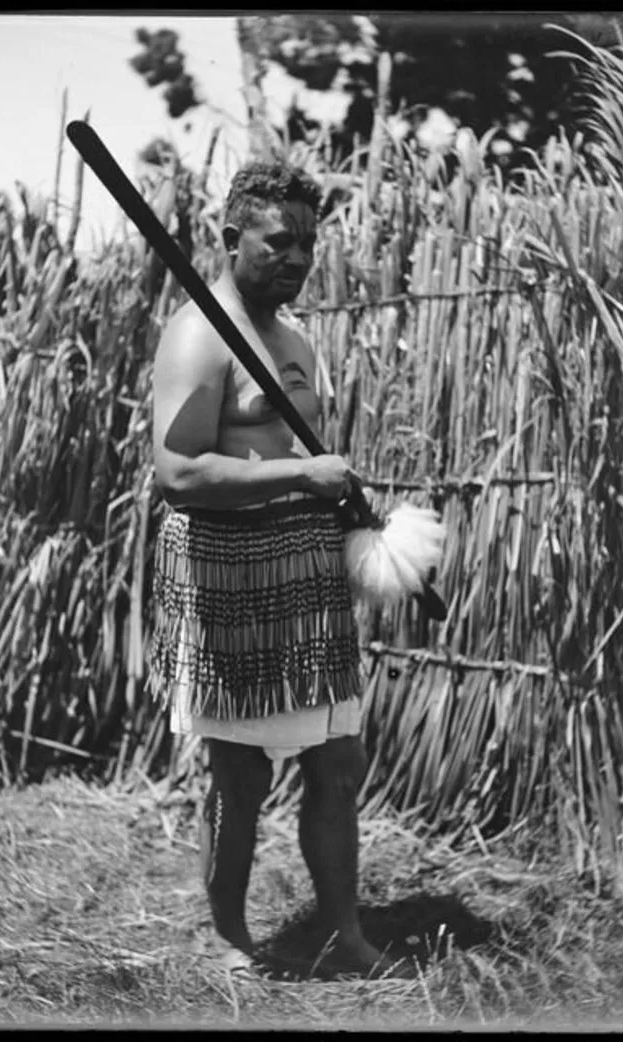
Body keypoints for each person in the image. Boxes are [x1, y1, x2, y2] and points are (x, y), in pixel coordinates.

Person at [148, 161, 388, 977]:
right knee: (240, 774)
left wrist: (338, 499)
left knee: (337, 761)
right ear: (230, 238)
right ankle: (228, 940)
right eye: (278, 241)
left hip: (308, 578)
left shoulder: (297, 340)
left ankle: (346, 935)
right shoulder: (197, 334)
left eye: (307, 244)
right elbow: (177, 473)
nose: (296, 258)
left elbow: (304, 456)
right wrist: (298, 478)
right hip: (230, 579)